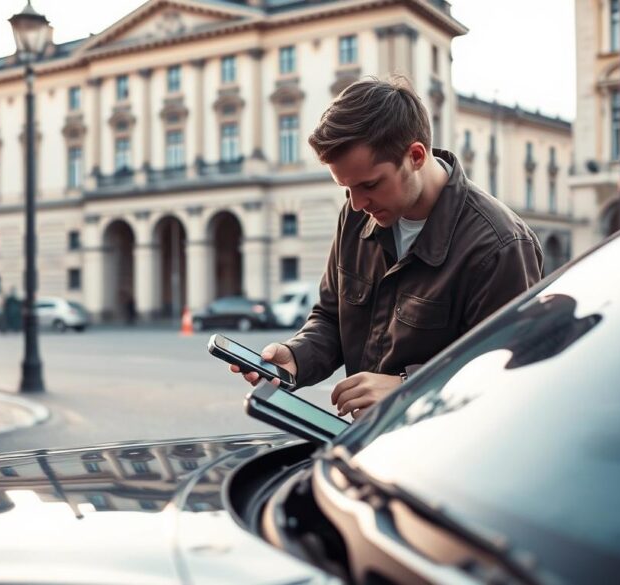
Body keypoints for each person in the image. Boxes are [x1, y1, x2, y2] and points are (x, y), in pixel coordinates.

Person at [232, 77, 543, 418]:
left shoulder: (500, 246)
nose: (356, 203)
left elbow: (508, 375)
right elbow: (330, 317)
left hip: (450, 459)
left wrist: (408, 387)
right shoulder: (354, 215)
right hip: (372, 444)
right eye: (345, 188)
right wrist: (296, 356)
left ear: (416, 156)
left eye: (369, 184)